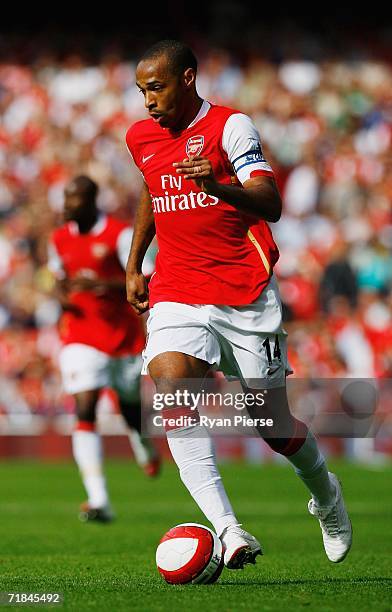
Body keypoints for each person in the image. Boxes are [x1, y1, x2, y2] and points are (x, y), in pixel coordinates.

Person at [125, 40, 352, 569]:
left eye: (156, 88)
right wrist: (135, 263)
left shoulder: (231, 127)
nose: (147, 102)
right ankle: (228, 531)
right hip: (178, 288)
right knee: (172, 388)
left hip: (243, 293)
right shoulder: (141, 136)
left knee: (273, 426)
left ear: (187, 78)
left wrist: (219, 185)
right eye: (141, 91)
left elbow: (269, 202)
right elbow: (151, 189)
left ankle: (327, 496)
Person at [48, 175, 160, 523]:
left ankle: (143, 445)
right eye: (66, 198)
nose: (68, 205)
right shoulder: (58, 237)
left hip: (121, 336)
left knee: (129, 410)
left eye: (75, 198)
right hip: (79, 335)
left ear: (92, 200)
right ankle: (99, 499)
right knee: (85, 407)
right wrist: (63, 297)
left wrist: (101, 284)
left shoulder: (119, 233)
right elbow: (58, 278)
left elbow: (147, 275)